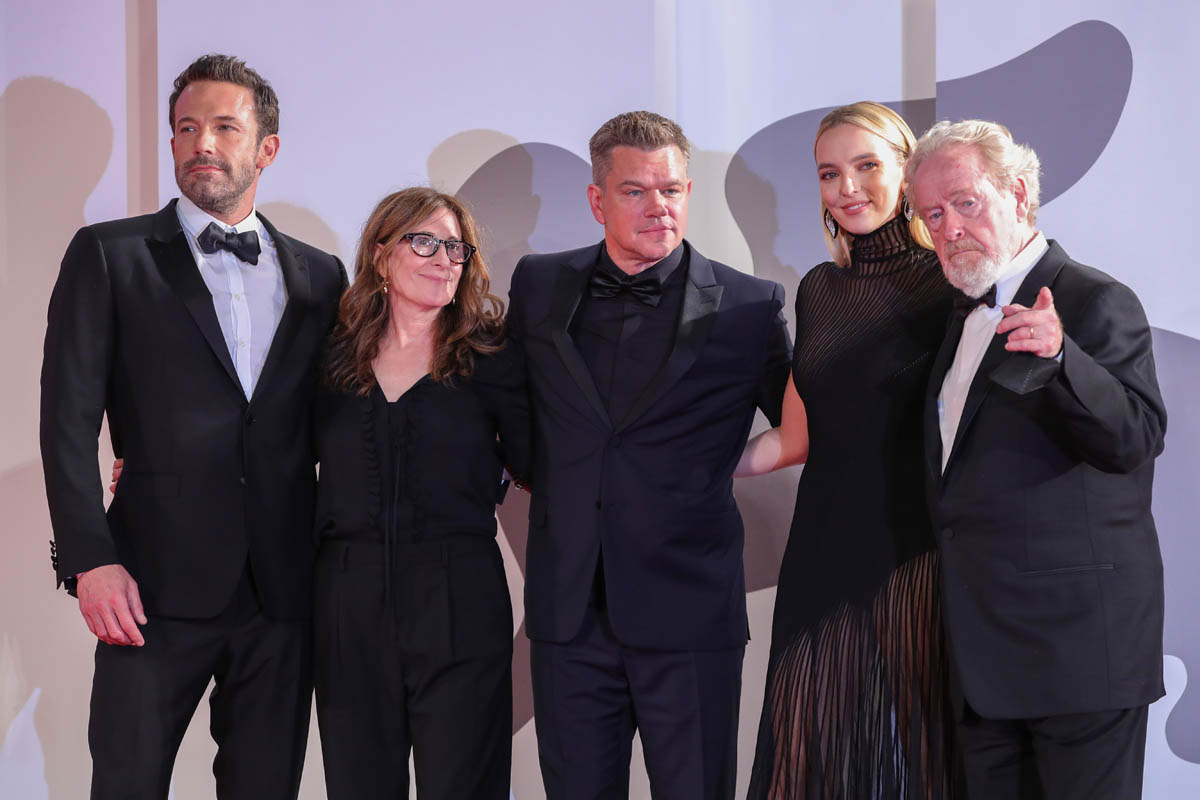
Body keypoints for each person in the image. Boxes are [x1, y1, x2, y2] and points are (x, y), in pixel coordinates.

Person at [39, 54, 345, 799]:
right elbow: (65, 422)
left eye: (224, 127)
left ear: (266, 148)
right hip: (148, 586)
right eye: (185, 128)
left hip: (282, 594)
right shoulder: (110, 255)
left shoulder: (322, 277)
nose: (201, 142)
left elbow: (332, 425)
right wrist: (89, 559)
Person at [506, 110, 792, 799]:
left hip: (690, 611)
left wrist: (717, 466)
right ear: (597, 199)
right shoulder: (539, 284)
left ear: (688, 192)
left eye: (670, 190)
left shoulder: (749, 305)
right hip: (570, 615)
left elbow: (804, 425)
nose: (657, 206)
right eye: (634, 191)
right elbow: (510, 408)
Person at [906, 119, 1167, 799]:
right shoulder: (956, 317)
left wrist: (1061, 357)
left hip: (1078, 655)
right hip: (983, 661)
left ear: (1019, 193)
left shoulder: (1094, 299)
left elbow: (1135, 438)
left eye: (965, 202)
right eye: (932, 215)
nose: (949, 228)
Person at [737, 101, 961, 798]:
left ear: (907, 170)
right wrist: (681, 461)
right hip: (823, 551)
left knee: (910, 758)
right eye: (829, 173)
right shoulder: (818, 288)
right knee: (809, 753)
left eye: (866, 166)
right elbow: (796, 438)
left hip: (914, 552)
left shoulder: (950, 281)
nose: (847, 188)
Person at [310, 187, 527, 799]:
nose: (443, 259)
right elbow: (273, 454)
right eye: (424, 242)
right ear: (381, 256)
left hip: (460, 598)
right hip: (347, 601)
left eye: (456, 248)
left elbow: (541, 460)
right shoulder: (329, 358)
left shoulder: (493, 355)